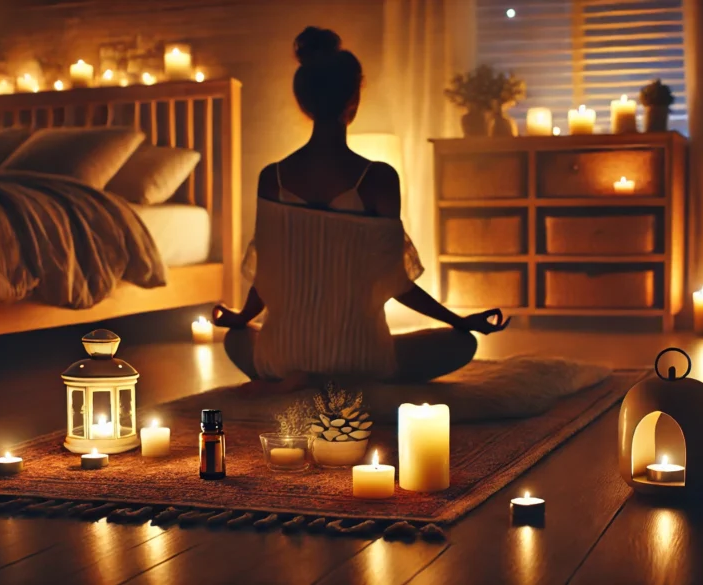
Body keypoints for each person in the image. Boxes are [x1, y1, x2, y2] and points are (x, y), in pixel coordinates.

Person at [213, 26, 508, 392]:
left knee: (236, 340)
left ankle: (302, 377)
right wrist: (461, 321)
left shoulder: (270, 177)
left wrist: (241, 318)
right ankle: (340, 378)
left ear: (303, 101)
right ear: (353, 99)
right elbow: (395, 281)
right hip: (361, 359)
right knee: (462, 344)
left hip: (282, 357)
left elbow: (268, 272)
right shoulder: (378, 179)